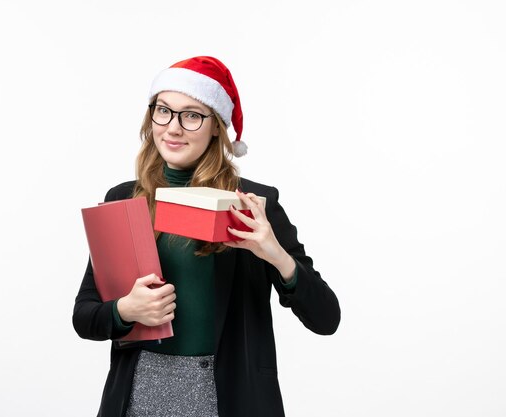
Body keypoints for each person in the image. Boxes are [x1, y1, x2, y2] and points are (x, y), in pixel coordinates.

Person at [73, 56, 341, 417]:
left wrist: (276, 255)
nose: (173, 128)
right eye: (163, 111)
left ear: (216, 126)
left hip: (227, 395)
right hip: (140, 392)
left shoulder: (253, 205)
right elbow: (84, 316)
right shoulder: (124, 199)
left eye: (192, 115)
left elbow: (327, 319)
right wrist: (125, 310)